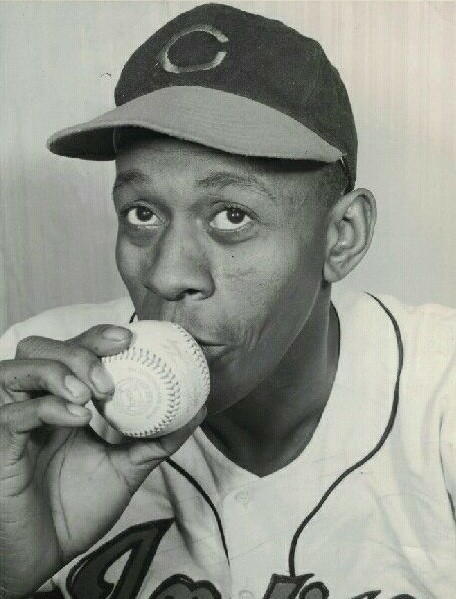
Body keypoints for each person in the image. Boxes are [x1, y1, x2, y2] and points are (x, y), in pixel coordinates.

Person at [0, 4, 455, 599]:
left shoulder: (440, 395)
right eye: (142, 214)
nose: (166, 274)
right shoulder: (36, 397)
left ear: (341, 236)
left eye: (232, 216)